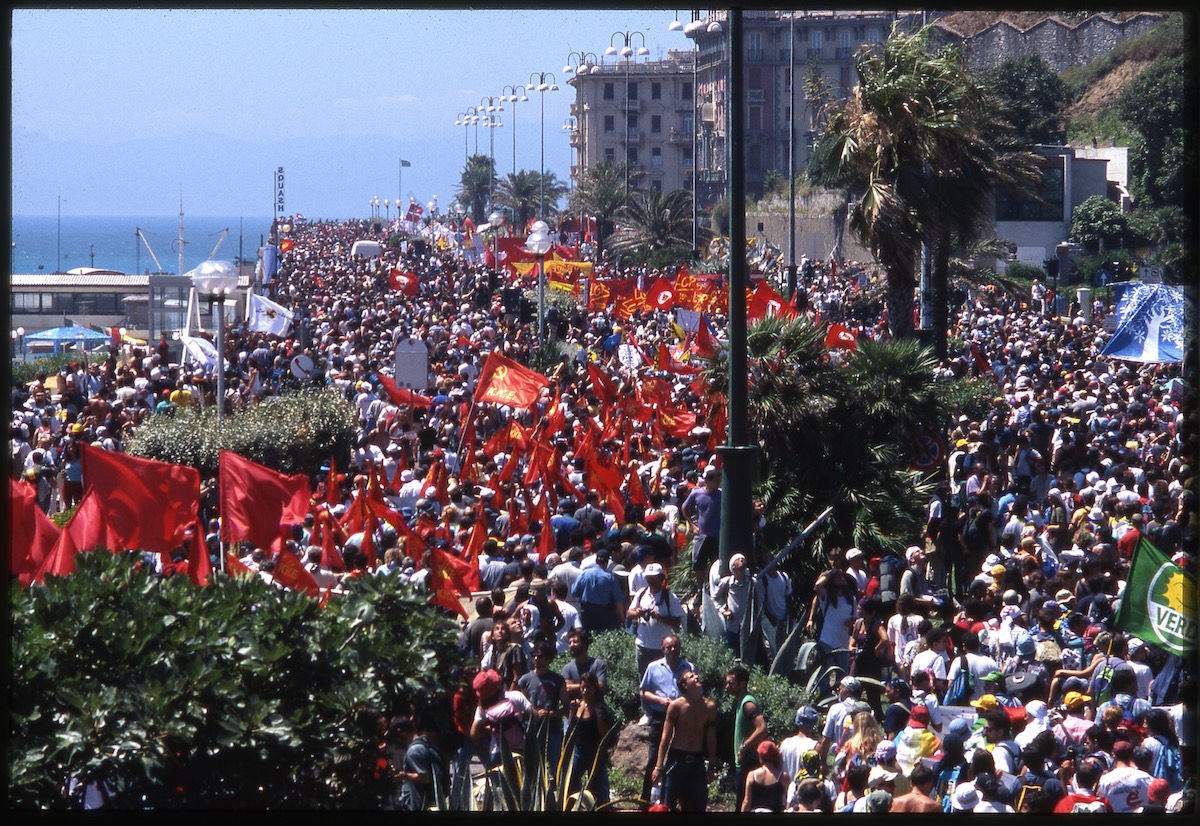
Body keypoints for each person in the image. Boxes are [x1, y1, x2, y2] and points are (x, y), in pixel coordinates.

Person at [652, 669, 717, 812]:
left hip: (697, 760)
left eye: (696, 675)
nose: (696, 677)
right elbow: (666, 736)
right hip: (677, 759)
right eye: (691, 676)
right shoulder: (676, 706)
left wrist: (712, 765)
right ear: (684, 685)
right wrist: (659, 765)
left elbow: (711, 738)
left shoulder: (709, 707)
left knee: (698, 804)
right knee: (667, 804)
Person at [638, 634, 694, 802]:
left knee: (678, 758)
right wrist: (660, 700)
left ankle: (671, 799)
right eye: (668, 647)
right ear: (662, 649)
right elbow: (643, 691)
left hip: (681, 718)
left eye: (675, 646)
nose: (672, 650)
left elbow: (696, 692)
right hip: (660, 716)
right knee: (654, 757)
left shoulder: (689, 668)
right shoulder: (654, 667)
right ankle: (646, 799)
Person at [516, 641, 567, 778]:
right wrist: (534, 714)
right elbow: (520, 706)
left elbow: (566, 707)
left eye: (540, 656)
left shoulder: (557, 679)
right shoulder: (525, 680)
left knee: (554, 767)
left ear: (549, 658)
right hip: (531, 729)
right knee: (532, 767)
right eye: (534, 656)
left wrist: (552, 714)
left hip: (553, 729)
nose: (536, 659)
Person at [626, 561, 683, 678]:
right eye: (649, 577)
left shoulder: (669, 597)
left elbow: (677, 621)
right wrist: (639, 613)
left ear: (661, 578)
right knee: (643, 679)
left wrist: (659, 617)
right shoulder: (641, 594)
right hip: (642, 645)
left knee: (661, 678)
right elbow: (629, 613)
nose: (651, 580)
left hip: (660, 648)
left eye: (654, 577)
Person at [566, 671, 613, 805]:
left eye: (588, 688)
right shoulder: (578, 705)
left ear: (595, 689)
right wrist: (572, 711)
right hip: (579, 751)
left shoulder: (600, 708)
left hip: (595, 752)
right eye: (582, 687)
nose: (585, 691)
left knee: (597, 786)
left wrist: (598, 718)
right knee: (570, 782)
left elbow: (605, 734)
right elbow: (570, 728)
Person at [727, 664, 768, 812]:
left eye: (731, 683)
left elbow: (762, 728)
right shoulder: (740, 701)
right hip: (743, 763)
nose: (727, 687)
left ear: (742, 683)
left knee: (744, 804)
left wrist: (745, 746)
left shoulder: (748, 703)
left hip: (748, 762)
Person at [805, 569, 857, 673]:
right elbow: (818, 584)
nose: (840, 579)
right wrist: (831, 572)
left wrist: (851, 622)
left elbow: (855, 617)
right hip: (827, 641)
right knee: (822, 672)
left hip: (842, 643)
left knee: (842, 674)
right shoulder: (827, 597)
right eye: (836, 578)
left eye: (840, 577)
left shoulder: (851, 599)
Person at [396, 710, 448, 811]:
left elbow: (426, 777)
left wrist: (403, 776)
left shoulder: (414, 750)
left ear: (401, 732)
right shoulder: (426, 744)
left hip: (418, 804)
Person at [681, 464, 722, 590]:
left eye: (719, 481)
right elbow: (684, 508)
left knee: (717, 564)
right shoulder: (697, 494)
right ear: (708, 481)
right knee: (699, 565)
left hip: (717, 536)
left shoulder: (722, 494)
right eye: (716, 481)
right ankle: (700, 590)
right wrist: (692, 525)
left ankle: (716, 588)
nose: (718, 483)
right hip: (702, 535)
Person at [570, 546, 625, 634]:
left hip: (587, 612)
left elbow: (574, 592)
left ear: (596, 561)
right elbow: (618, 600)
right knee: (602, 638)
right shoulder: (610, 578)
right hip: (604, 614)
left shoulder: (584, 574)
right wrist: (622, 617)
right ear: (607, 562)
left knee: (587, 637)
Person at [713, 552, 752, 653]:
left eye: (742, 559)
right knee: (732, 653)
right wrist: (723, 611)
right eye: (738, 559)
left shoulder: (752, 582)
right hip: (733, 626)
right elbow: (714, 598)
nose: (741, 560)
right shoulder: (727, 582)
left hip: (749, 627)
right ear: (733, 566)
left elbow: (760, 600)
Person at [561, 627, 607, 703]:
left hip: (596, 709)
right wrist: (591, 686)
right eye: (570, 643)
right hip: (576, 711)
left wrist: (575, 686)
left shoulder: (598, 664)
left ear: (584, 644)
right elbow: (567, 689)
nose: (572, 645)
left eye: (575, 642)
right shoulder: (567, 668)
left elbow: (601, 686)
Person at [742, 740, 788, 813]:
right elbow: (787, 801)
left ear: (760, 756)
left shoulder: (752, 775)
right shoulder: (783, 777)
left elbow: (746, 802)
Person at [780, 706, 821, 784]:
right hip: (805, 793)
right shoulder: (814, 746)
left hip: (786, 793)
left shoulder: (785, 743)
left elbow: (778, 769)